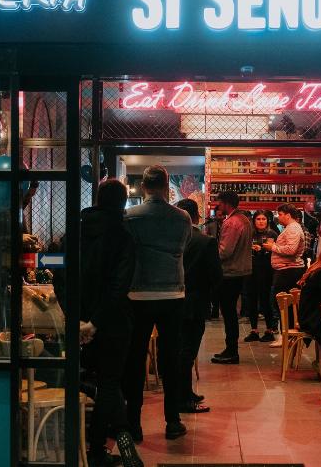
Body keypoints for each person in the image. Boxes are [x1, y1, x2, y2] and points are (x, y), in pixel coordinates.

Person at [122, 166, 192, 441]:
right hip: (173, 294)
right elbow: (183, 247)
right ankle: (172, 421)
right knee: (171, 359)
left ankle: (134, 424)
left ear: (143, 187)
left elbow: (126, 252)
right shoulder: (183, 218)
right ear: (166, 187)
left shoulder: (130, 216)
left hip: (138, 293)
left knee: (135, 359)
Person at [79, 179, 143, 467]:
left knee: (85, 377)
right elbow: (119, 286)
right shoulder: (123, 235)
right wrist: (96, 322)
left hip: (78, 322)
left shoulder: (76, 231)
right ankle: (97, 448)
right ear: (122, 203)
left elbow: (60, 277)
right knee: (108, 382)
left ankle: (90, 443)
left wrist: (77, 318)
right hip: (113, 321)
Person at [174, 199, 222, 414]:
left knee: (180, 351)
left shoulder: (171, 239)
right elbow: (216, 276)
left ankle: (185, 393)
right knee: (187, 352)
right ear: (195, 216)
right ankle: (183, 399)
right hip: (195, 301)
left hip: (173, 300)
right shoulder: (205, 241)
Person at [211, 191, 253, 364]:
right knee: (230, 312)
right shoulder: (244, 220)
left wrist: (210, 254)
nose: (218, 205)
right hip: (241, 270)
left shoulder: (232, 222)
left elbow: (225, 251)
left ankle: (231, 351)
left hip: (230, 272)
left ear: (226, 203)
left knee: (228, 312)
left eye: (219, 202)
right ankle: (231, 349)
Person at [263, 204, 306, 344]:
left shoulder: (293, 228)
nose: (278, 216)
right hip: (286, 270)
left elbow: (291, 250)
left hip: (289, 271)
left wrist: (272, 247)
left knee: (284, 304)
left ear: (288, 215)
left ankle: (287, 336)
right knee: (281, 304)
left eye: (280, 214)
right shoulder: (290, 228)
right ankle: (286, 335)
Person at [243, 211, 278, 343]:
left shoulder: (271, 233)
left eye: (263, 219)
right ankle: (254, 330)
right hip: (250, 269)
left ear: (267, 221)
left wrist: (262, 249)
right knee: (251, 300)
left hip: (266, 270)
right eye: (258, 219)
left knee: (265, 300)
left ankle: (269, 330)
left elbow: (273, 250)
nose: (261, 221)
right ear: (254, 220)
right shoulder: (249, 233)